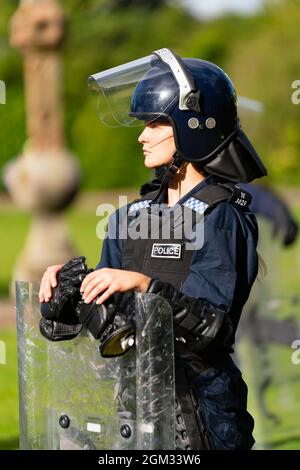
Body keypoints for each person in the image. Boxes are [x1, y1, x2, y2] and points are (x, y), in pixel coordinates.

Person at [39, 49, 268, 450]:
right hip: (133, 409)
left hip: (203, 416)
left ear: (195, 124)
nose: (142, 135)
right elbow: (112, 323)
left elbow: (211, 327)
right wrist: (69, 288)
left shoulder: (222, 216)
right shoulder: (128, 217)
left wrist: (145, 284)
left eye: (156, 122)